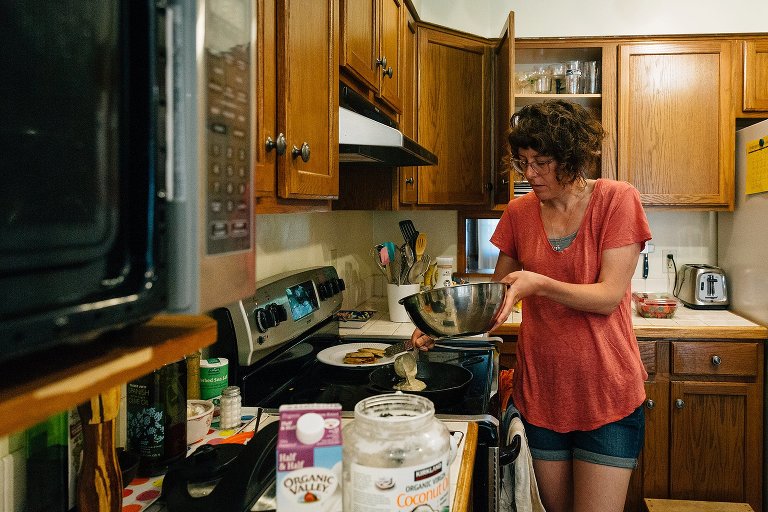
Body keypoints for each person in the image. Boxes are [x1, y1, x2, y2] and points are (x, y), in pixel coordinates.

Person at [411, 100, 652, 512]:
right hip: (541, 394)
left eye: (541, 162)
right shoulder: (519, 212)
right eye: (523, 162)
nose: (529, 174)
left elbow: (609, 296)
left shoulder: (617, 200)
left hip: (606, 393)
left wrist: (539, 284)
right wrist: (439, 326)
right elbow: (493, 299)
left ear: (572, 158)